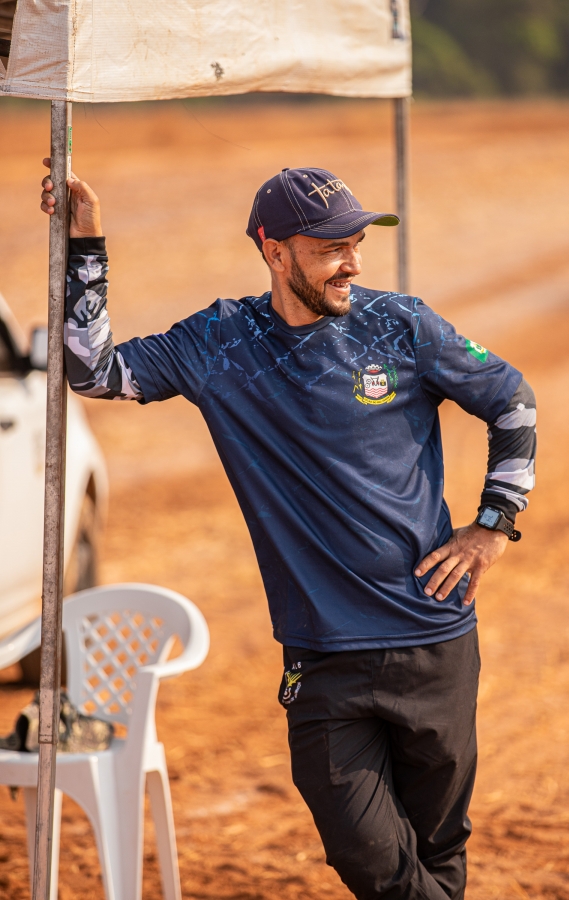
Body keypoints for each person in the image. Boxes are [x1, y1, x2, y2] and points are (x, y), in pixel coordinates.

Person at [41, 162, 536, 900]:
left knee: (438, 852)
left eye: (357, 243)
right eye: (332, 247)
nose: (353, 263)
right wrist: (86, 245)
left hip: (435, 642)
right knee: (373, 860)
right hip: (323, 656)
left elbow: (512, 400)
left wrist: (494, 523)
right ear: (276, 252)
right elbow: (93, 371)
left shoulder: (402, 325)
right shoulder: (220, 341)